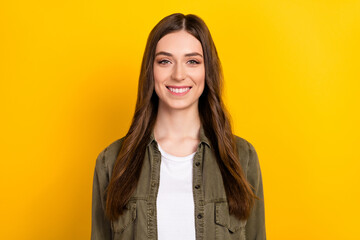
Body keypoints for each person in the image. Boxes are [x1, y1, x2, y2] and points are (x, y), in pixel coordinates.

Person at [91, 13, 266, 240]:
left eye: (192, 61)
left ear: (207, 71)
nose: (179, 74)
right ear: (150, 70)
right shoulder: (112, 162)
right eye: (165, 61)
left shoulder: (242, 157)